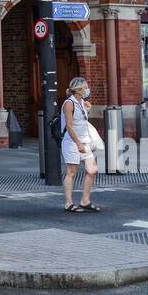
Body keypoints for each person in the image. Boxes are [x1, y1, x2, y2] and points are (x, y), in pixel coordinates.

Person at [60, 77, 100, 213]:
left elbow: (81, 120)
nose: (87, 89)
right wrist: (78, 144)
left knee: (92, 169)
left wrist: (88, 110)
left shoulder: (81, 102)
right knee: (71, 172)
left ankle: (85, 200)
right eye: (85, 87)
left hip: (84, 140)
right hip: (72, 142)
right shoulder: (69, 103)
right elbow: (70, 126)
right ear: (78, 90)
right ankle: (68, 203)